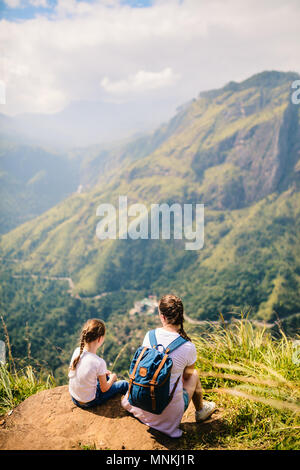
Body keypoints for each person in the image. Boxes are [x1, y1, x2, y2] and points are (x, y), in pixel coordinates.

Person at [121, 294, 216, 438]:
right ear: (181, 316)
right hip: (165, 419)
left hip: (138, 403)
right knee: (194, 374)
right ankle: (201, 411)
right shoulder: (188, 347)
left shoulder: (149, 336)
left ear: (162, 316)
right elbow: (187, 377)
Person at [68, 318, 128, 408]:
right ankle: (129, 405)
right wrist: (113, 378)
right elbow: (104, 389)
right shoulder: (99, 362)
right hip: (90, 401)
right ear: (100, 339)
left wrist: (103, 373)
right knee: (124, 384)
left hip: (74, 398)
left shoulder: (77, 351)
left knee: (105, 376)